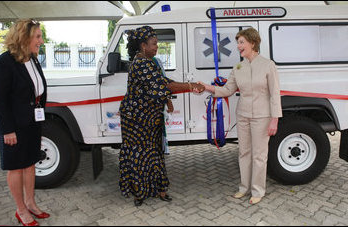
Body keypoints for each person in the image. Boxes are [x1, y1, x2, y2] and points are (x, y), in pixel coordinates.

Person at [119, 26, 205, 206]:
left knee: (154, 153)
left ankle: (159, 189)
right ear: (143, 45)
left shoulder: (147, 61)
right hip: (137, 119)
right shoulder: (142, 63)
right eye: (154, 44)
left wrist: (174, 95)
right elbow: (163, 86)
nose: (157, 47)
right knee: (139, 154)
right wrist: (190, 86)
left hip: (149, 117)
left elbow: (163, 83)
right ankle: (139, 193)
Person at [198, 28, 282, 205]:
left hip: (262, 116)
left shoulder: (268, 65)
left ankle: (258, 190)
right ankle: (244, 188)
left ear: (253, 43)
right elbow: (227, 90)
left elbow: (275, 94)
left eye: (242, 42)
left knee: (259, 155)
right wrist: (207, 87)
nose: (238, 46)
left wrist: (275, 119)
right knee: (244, 152)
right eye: (238, 43)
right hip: (243, 115)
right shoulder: (238, 67)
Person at [0, 19, 50, 226]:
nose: (41, 41)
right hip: (13, 127)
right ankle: (21, 210)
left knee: (30, 163)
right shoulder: (2, 64)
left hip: (32, 122)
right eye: (37, 37)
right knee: (16, 168)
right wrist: (7, 130)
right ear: (24, 38)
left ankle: (31, 203)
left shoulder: (32, 59)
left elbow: (37, 89)